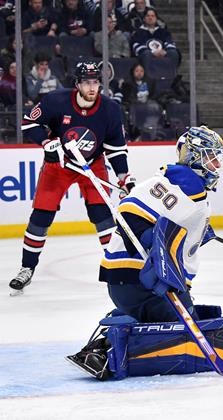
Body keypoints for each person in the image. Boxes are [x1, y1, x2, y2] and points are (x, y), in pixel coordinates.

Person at [66, 126, 223, 380]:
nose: (217, 165)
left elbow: (168, 225)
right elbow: (129, 215)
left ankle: (108, 338)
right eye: (211, 158)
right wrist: (158, 257)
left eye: (218, 158)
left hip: (134, 283)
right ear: (193, 157)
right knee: (183, 331)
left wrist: (194, 236)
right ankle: (105, 351)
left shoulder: (187, 186)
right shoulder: (184, 185)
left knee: (182, 320)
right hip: (138, 281)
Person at [9, 62, 135, 296]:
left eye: (95, 82)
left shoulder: (110, 109)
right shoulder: (56, 101)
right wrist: (46, 143)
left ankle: (116, 267)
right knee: (41, 216)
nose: (92, 87)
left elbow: (116, 148)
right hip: (59, 165)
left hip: (92, 165)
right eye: (86, 82)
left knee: (102, 215)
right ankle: (27, 268)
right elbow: (29, 123)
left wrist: (123, 176)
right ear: (77, 84)